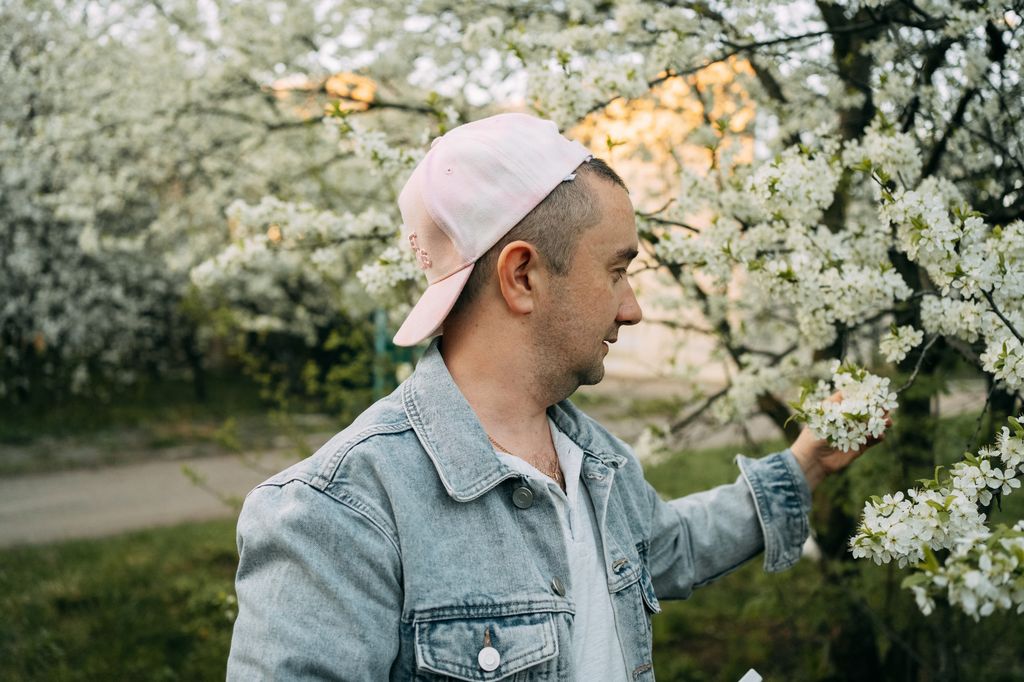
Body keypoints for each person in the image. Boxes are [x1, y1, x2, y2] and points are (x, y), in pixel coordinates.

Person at [226, 113, 883, 681]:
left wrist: (808, 464)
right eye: (618, 270)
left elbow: (666, 546)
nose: (634, 309)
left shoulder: (593, 460)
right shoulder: (338, 514)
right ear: (522, 276)